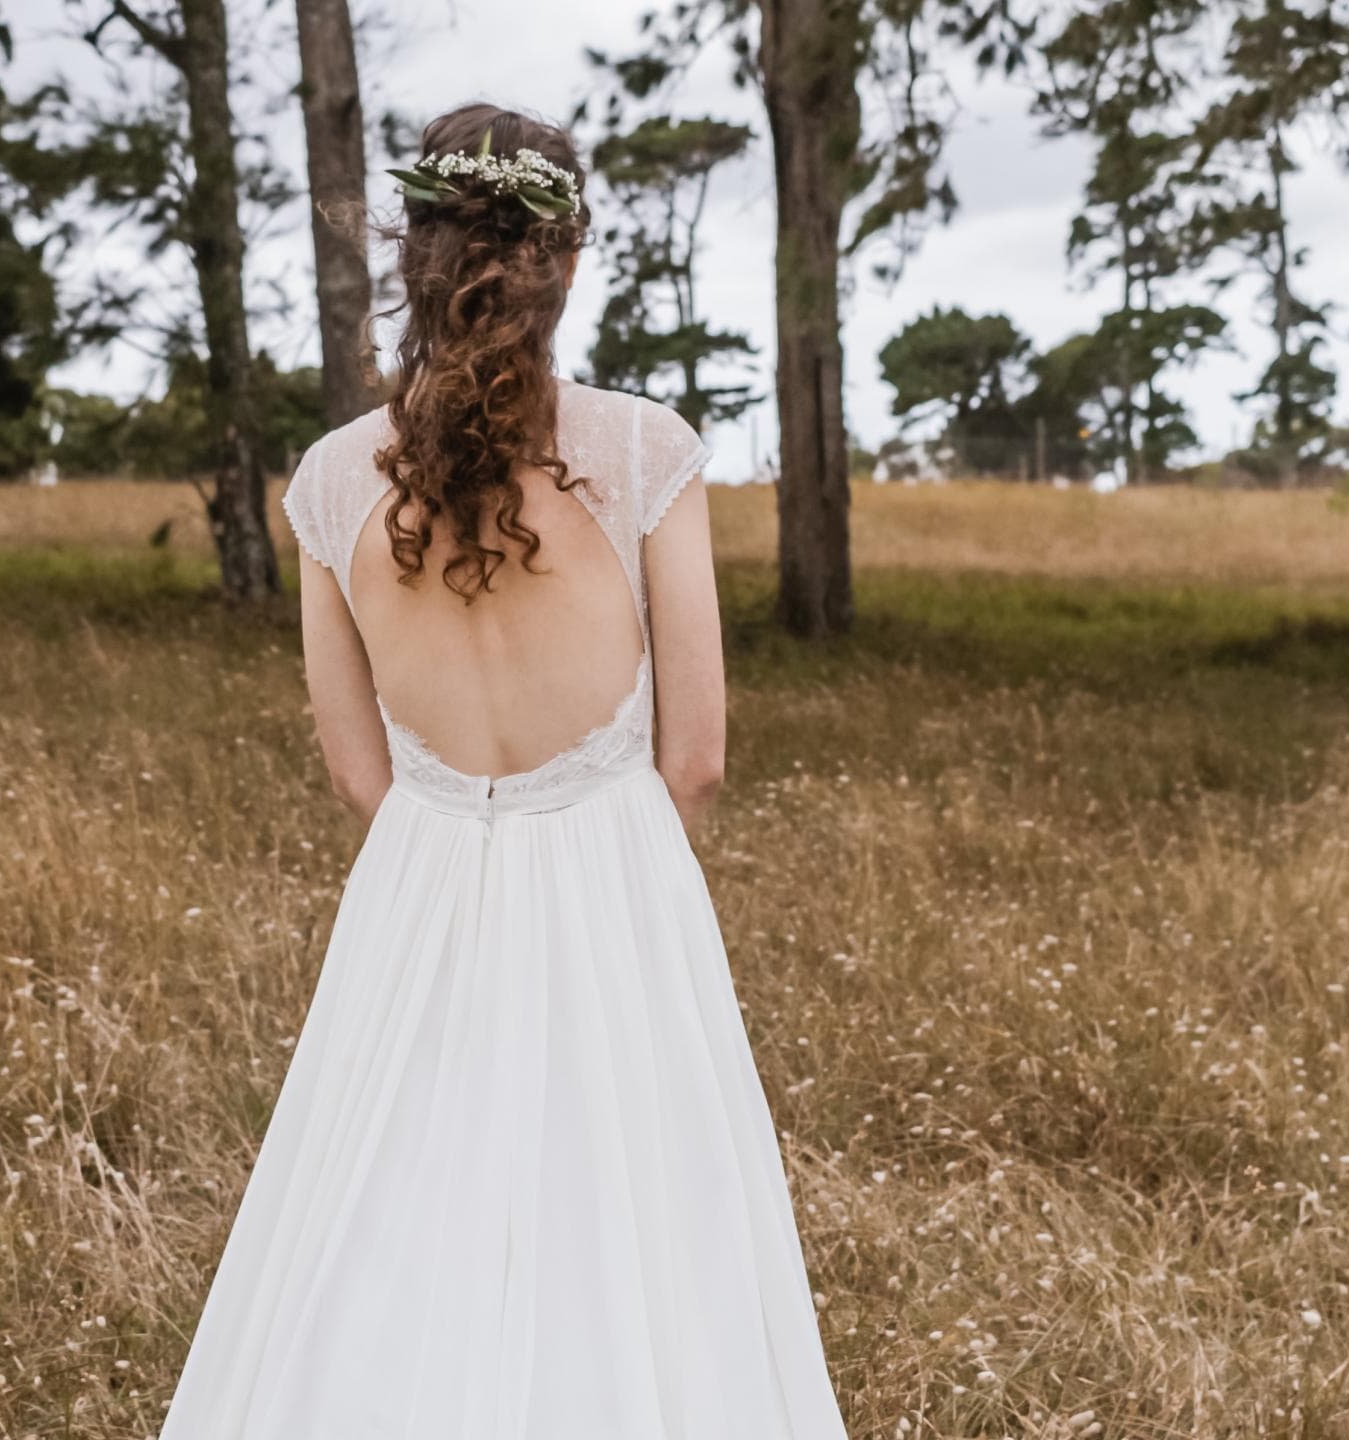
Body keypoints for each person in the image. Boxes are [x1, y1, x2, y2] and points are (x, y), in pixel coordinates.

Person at [158, 101, 847, 1440]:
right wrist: (601, 863)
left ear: (419, 252)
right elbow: (693, 759)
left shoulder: (324, 483)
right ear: (565, 261)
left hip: (419, 886)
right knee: (640, 1238)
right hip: (614, 876)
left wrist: (460, 834)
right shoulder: (643, 452)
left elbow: (361, 772)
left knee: (392, 1215)